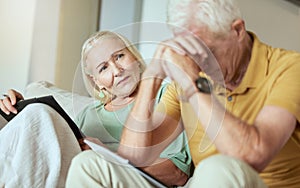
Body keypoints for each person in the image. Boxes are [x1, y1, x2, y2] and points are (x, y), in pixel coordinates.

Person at [66, 0, 300, 187]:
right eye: (186, 48)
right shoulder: (184, 80)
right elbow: (134, 156)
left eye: (203, 49)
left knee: (217, 167)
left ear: (237, 30)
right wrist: (152, 78)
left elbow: (252, 156)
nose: (196, 61)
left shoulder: (290, 68)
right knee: (88, 165)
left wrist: (194, 86)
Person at [0, 31, 192, 187]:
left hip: (132, 181)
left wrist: (108, 157)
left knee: (39, 113)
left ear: (133, 56)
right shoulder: (89, 115)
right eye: (103, 68)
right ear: (97, 82)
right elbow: (51, 154)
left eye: (119, 56)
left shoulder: (165, 95)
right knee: (35, 115)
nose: (117, 71)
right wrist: (19, 112)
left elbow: (177, 173)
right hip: (74, 179)